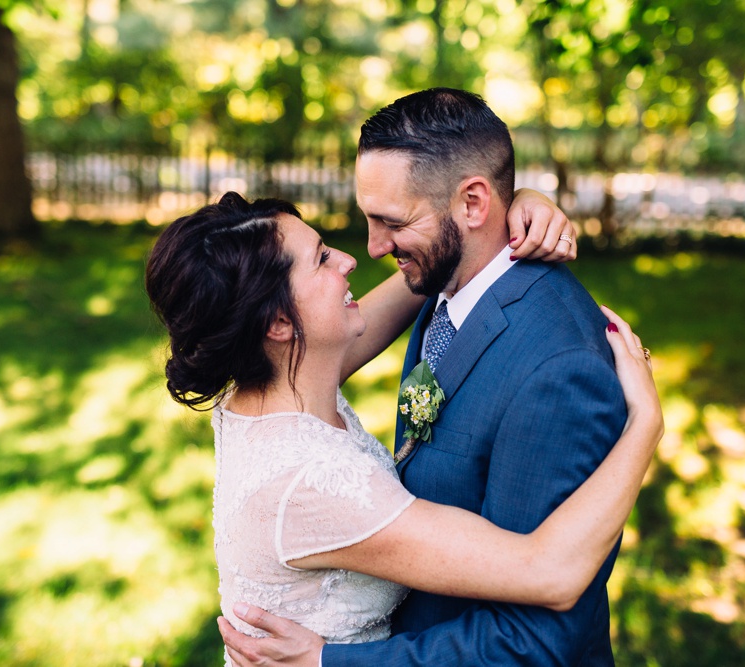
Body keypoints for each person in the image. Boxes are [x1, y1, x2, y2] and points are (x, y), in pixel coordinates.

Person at [216, 89, 658, 666]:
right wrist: (501, 208)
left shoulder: (558, 370)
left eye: (390, 221)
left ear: (471, 203)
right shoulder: (442, 280)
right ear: (277, 326)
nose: (368, 250)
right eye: (330, 251)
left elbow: (539, 643)